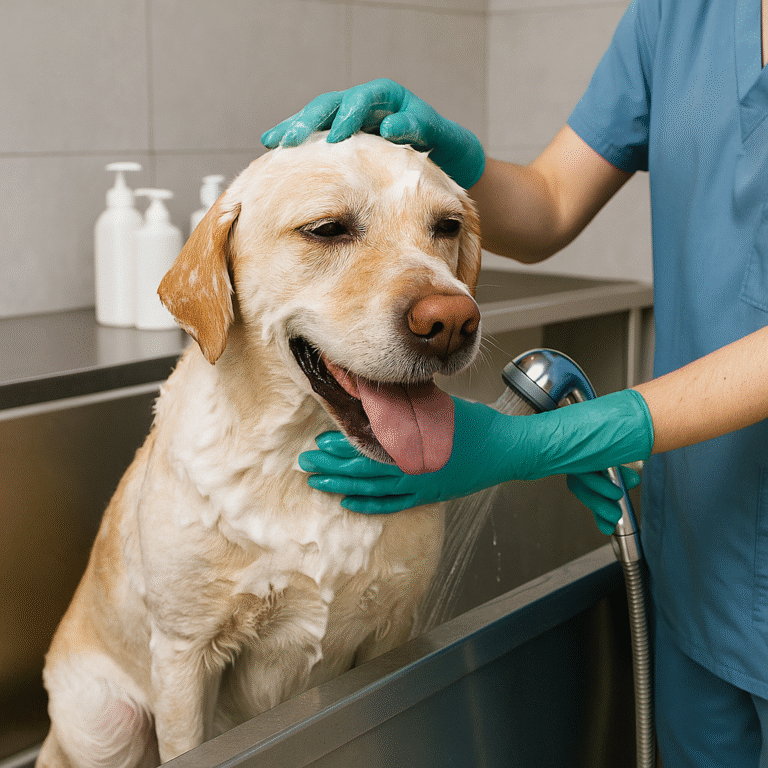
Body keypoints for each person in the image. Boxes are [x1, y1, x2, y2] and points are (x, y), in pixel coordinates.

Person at [262, 1, 768, 765]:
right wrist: (454, 161)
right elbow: (550, 204)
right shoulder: (679, 16)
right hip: (704, 547)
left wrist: (548, 441)